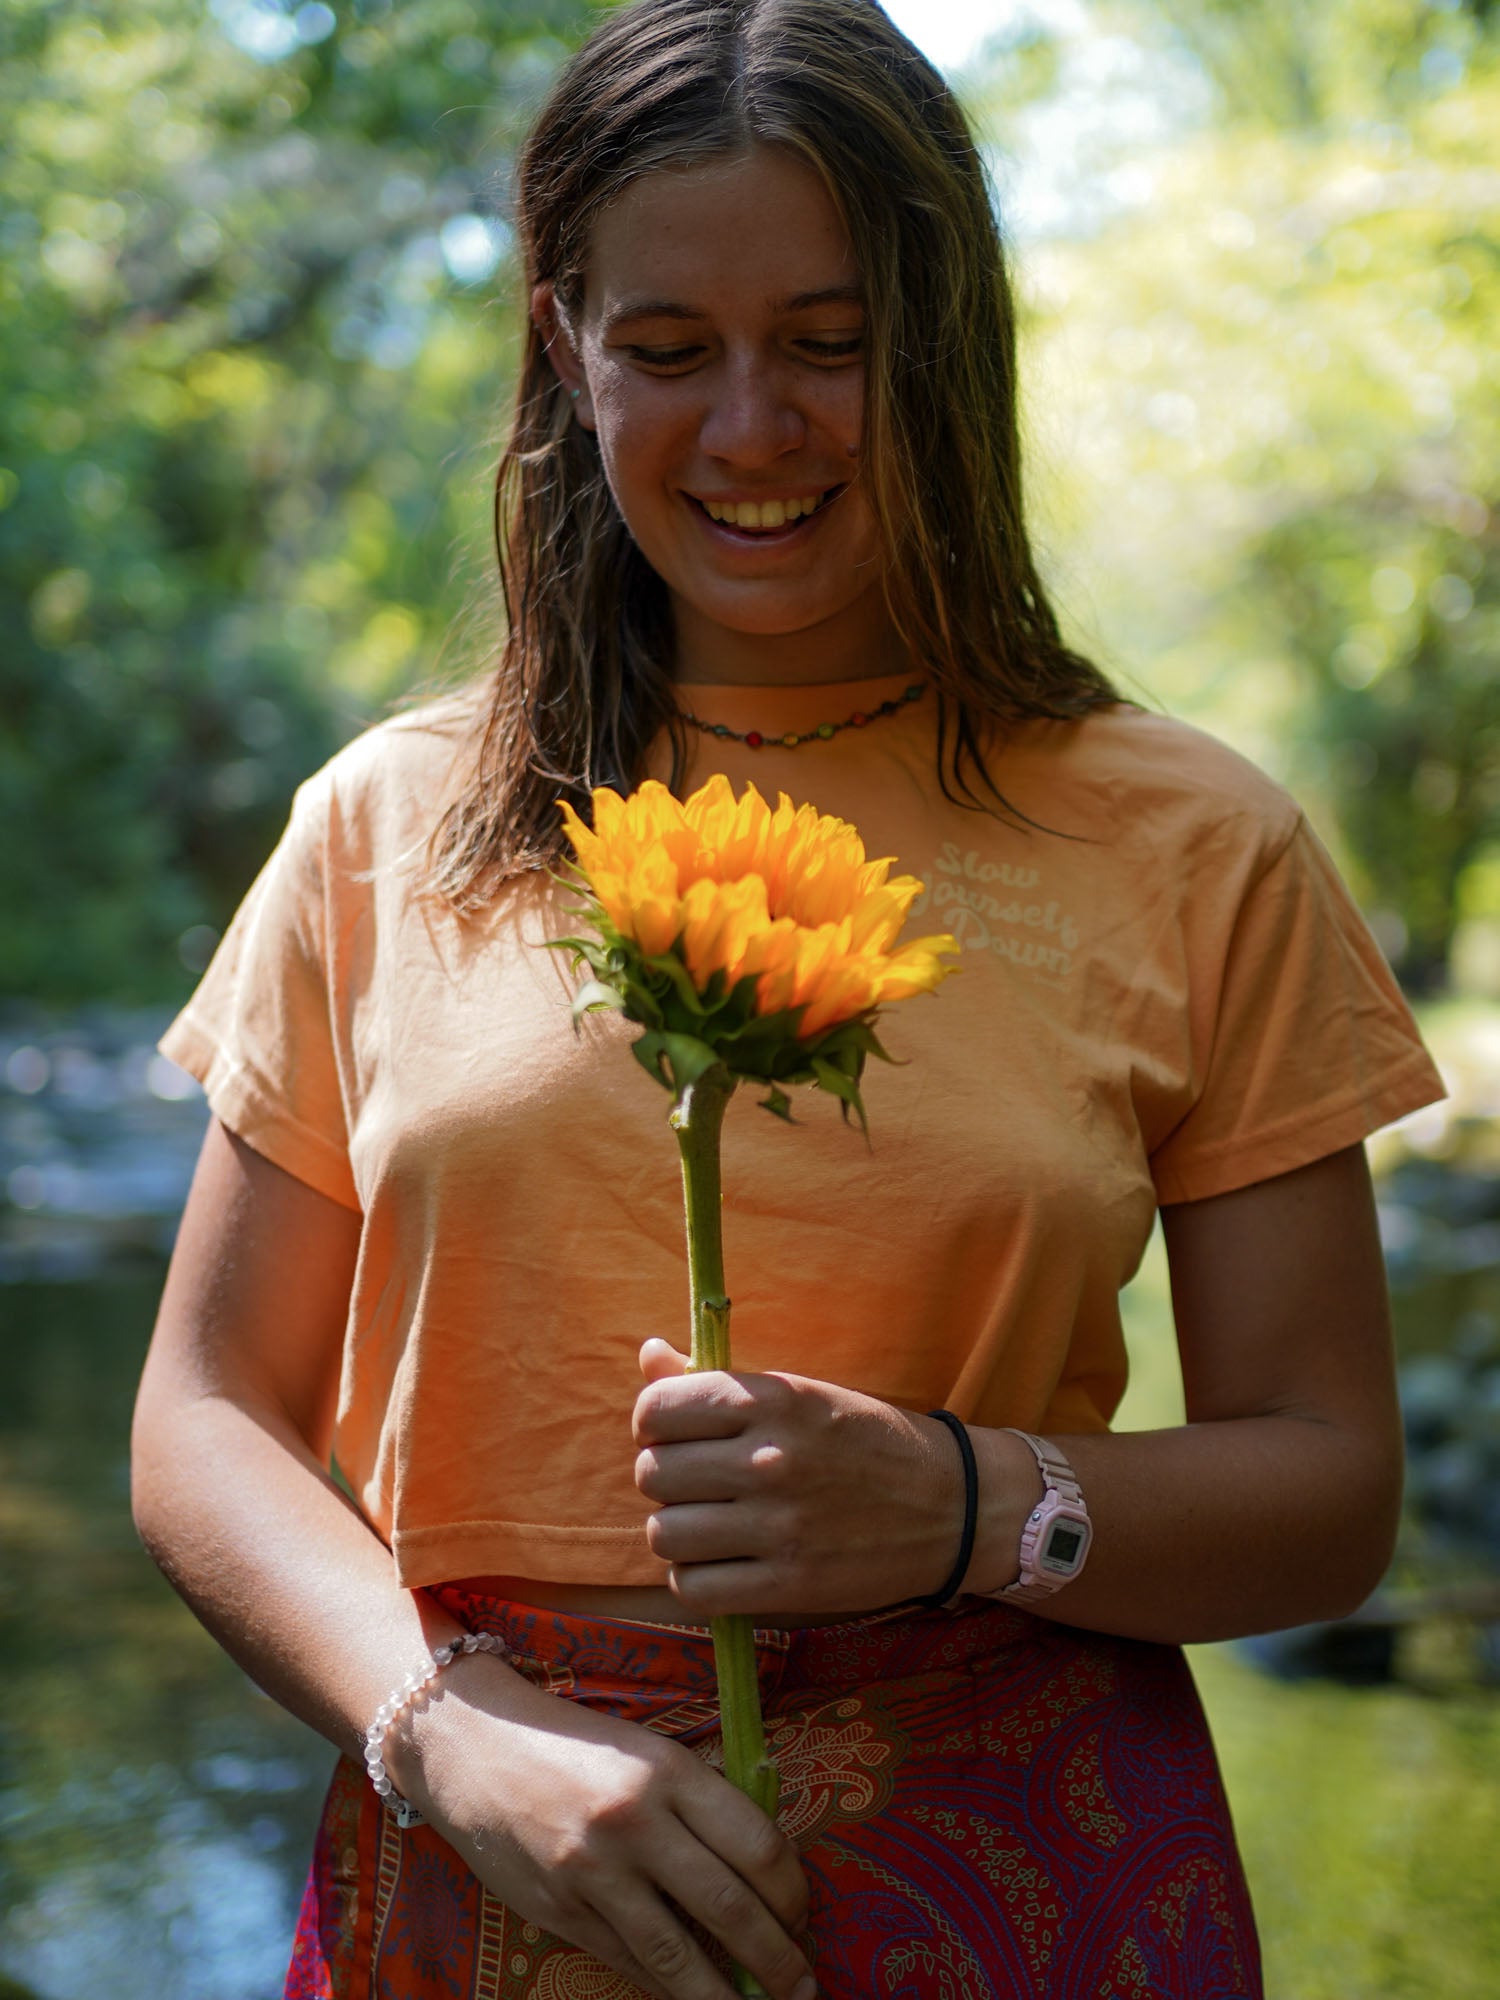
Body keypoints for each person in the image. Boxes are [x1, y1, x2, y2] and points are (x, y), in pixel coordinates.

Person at [130, 2, 1445, 1995]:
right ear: (566, 348)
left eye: (832, 344)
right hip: (484, 1866)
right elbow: (207, 1418)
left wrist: (970, 1504)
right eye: (670, 351)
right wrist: (440, 1729)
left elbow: (1332, 1492)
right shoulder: (390, 818)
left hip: (1028, 1885)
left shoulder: (1193, 837)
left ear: (945, 345)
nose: (756, 427)